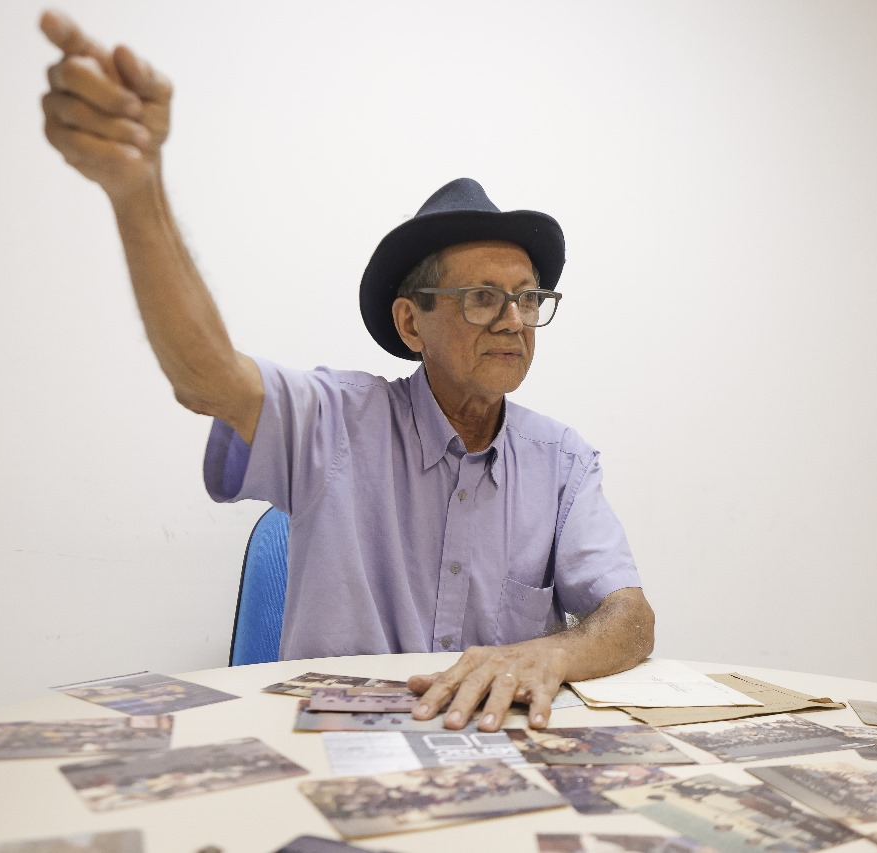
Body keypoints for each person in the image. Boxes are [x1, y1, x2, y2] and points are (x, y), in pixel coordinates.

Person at [39, 10, 655, 733]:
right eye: (484, 298)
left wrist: (547, 654)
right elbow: (206, 377)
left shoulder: (563, 462)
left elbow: (630, 618)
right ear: (409, 323)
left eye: (526, 298)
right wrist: (137, 191)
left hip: (498, 759)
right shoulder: (334, 420)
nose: (515, 321)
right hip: (336, 760)